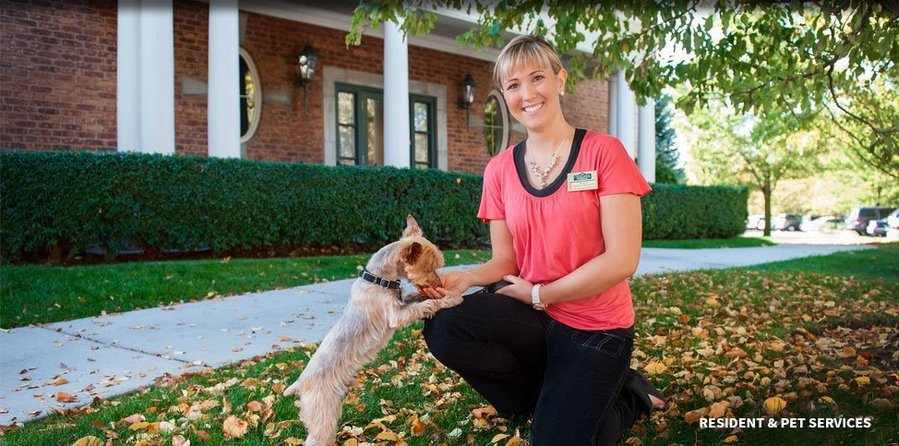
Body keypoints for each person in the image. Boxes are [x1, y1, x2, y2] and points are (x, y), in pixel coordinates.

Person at [418, 35, 665, 445]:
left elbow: (622, 260)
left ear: (560, 80)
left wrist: (540, 294)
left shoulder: (604, 152)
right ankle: (543, 398)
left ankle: (629, 396)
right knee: (444, 325)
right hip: (533, 319)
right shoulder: (499, 169)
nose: (527, 94)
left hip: (596, 327)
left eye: (537, 78)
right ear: (505, 95)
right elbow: (505, 261)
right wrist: (469, 277)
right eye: (513, 85)